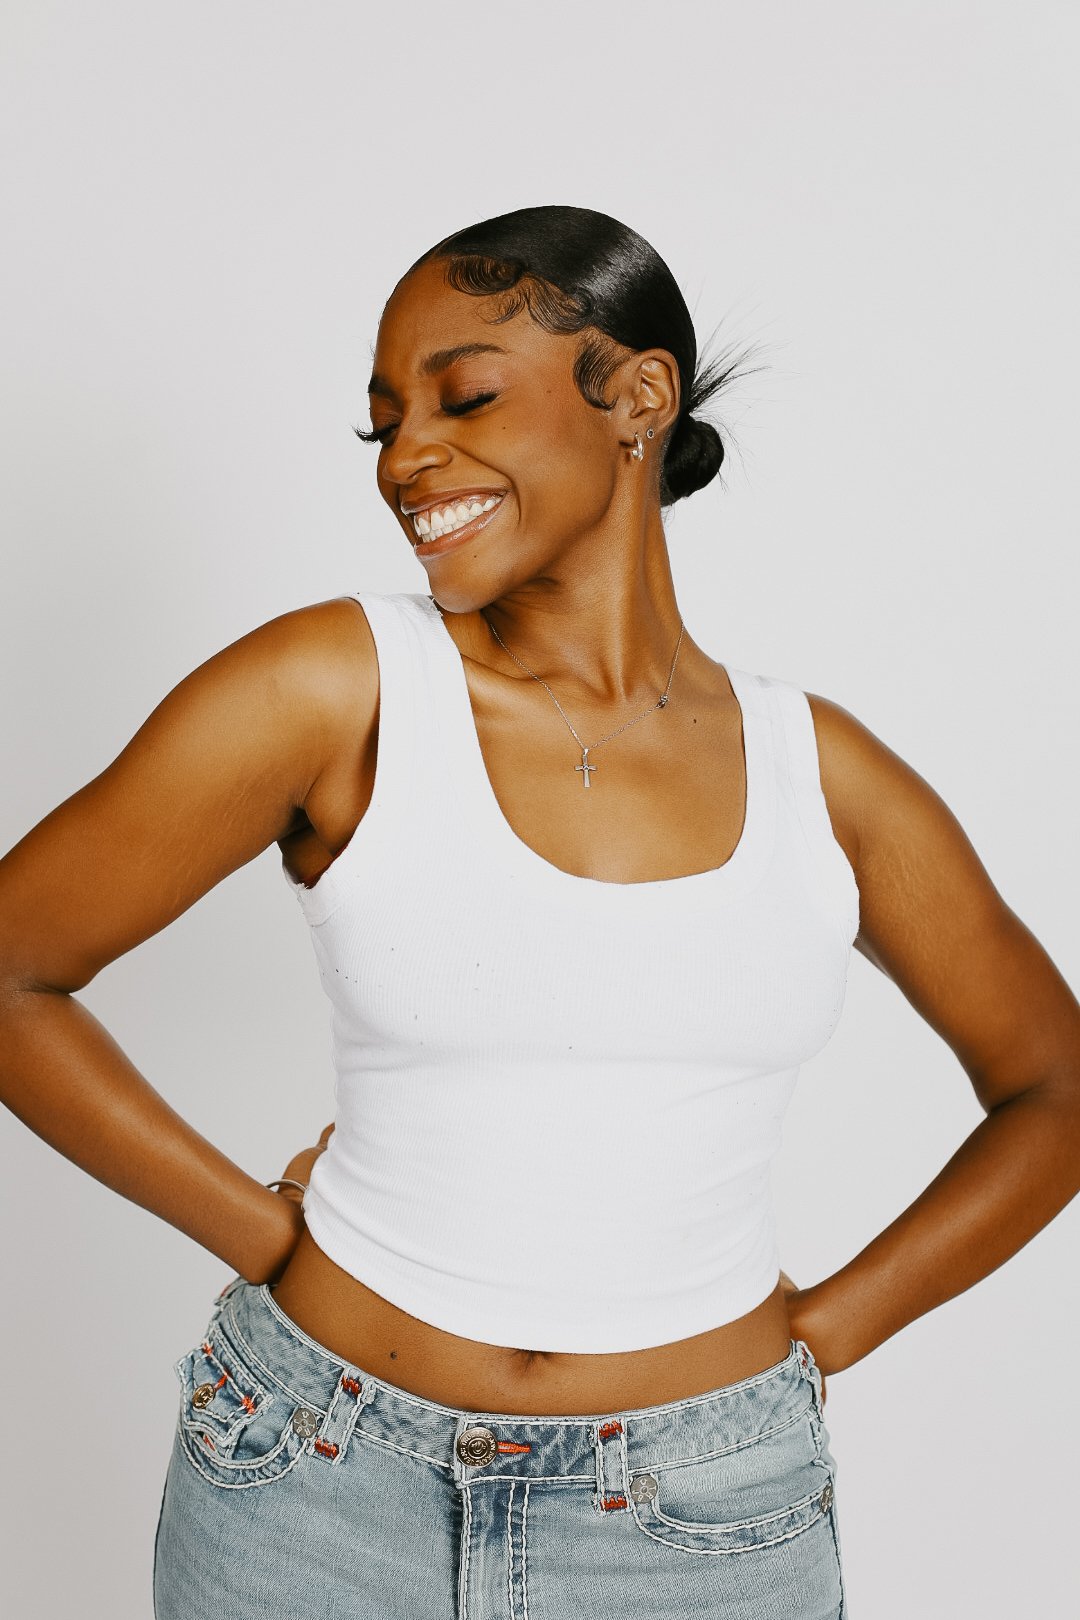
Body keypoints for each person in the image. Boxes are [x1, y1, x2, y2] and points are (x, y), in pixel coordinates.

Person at [1, 205, 1077, 1620]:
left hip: (706, 1524)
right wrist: (264, 1241)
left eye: (464, 397)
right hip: (311, 1487)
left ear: (637, 397)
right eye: (381, 423)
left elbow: (1051, 1086)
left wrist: (825, 1334)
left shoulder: (829, 778)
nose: (406, 459)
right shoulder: (339, 686)